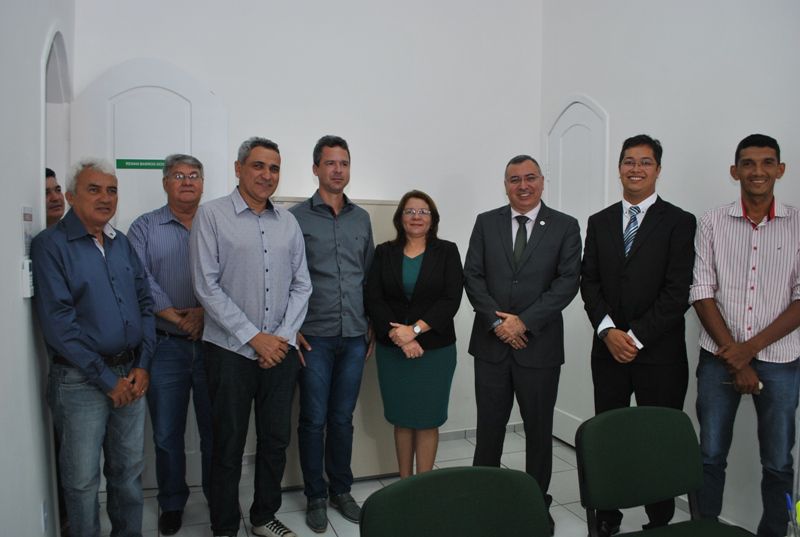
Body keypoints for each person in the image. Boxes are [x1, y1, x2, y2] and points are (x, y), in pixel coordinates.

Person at [189, 137, 311, 537]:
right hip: (228, 352)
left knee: (275, 440)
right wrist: (253, 337)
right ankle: (225, 526)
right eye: (258, 166)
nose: (267, 175)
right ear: (238, 168)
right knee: (228, 444)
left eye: (274, 168)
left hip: (280, 352)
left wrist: (281, 338)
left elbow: (302, 286)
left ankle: (262, 517)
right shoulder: (211, 216)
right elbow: (206, 287)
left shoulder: (288, 222)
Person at [31, 158, 155, 537]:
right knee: (83, 482)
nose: (105, 198)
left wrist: (143, 364)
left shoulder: (121, 244)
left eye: (112, 190)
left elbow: (145, 303)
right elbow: (59, 326)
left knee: (128, 473)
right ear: (70, 196)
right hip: (80, 382)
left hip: (131, 376)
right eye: (94, 189)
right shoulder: (50, 245)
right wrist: (106, 379)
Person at [580, 135, 696, 535]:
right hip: (608, 351)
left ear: (658, 169)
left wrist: (636, 337)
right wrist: (610, 331)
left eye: (645, 162)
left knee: (656, 440)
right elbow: (588, 283)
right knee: (609, 436)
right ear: (619, 167)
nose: (636, 169)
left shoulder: (680, 222)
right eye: (629, 161)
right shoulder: (599, 221)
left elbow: (677, 291)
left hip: (660, 354)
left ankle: (658, 519)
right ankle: (607, 514)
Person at [464, 154, 581, 535]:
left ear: (542, 182)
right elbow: (473, 276)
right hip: (492, 346)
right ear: (505, 184)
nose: (523, 185)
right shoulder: (486, 223)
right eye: (514, 179)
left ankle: (534, 501)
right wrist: (499, 323)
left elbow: (567, 282)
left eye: (530, 178)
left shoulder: (565, 226)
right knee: (490, 429)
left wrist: (524, 322)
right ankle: (484, 499)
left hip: (540, 348)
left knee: (538, 430)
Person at [690, 134, 800, 537]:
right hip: (717, 357)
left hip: (781, 362)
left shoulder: (798, 225)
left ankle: (775, 532)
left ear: (780, 170)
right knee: (709, 456)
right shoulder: (713, 221)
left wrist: (747, 352)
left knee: (778, 462)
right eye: (748, 164)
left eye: (767, 163)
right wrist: (731, 354)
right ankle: (702, 530)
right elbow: (701, 292)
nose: (758, 171)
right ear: (734, 171)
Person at [289, 135, 374, 533]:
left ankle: (341, 489)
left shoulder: (361, 218)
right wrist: (293, 329)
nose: (337, 170)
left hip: (355, 334)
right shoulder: (295, 218)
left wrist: (370, 323)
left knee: (342, 419)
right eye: (330, 163)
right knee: (313, 419)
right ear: (315, 168)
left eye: (344, 163)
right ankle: (315, 496)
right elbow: (287, 278)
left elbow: (368, 275)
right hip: (315, 337)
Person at [128, 154, 213, 536]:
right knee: (166, 433)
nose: (187, 182)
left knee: (217, 429)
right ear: (165, 182)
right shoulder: (144, 227)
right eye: (179, 175)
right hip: (166, 346)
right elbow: (140, 280)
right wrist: (179, 317)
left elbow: (228, 274)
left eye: (194, 175)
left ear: (203, 182)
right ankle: (173, 502)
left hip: (214, 342)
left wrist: (203, 315)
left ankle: (218, 494)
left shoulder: (216, 222)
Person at [366, 190, 463, 477]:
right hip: (393, 350)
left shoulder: (447, 251)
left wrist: (415, 331)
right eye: (410, 211)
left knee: (427, 419)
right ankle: (404, 484)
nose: (416, 217)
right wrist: (400, 336)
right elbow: (374, 298)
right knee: (402, 418)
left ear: (433, 219)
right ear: (400, 218)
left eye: (423, 212)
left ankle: (423, 486)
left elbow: (451, 299)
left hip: (435, 350)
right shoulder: (384, 252)